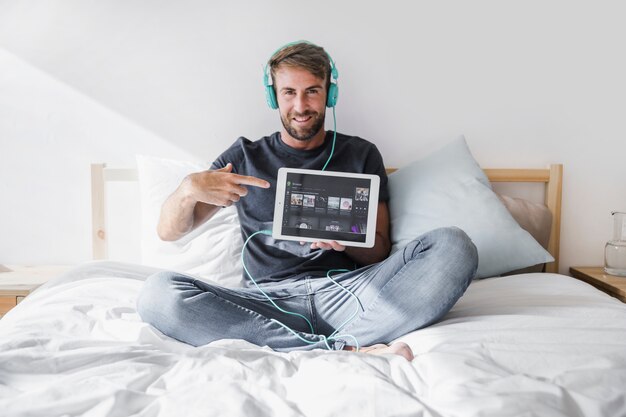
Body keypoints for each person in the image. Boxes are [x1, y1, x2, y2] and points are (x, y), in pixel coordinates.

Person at [136, 42, 478, 361]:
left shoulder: (360, 154)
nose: (300, 106)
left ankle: (302, 343)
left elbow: (379, 251)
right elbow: (169, 232)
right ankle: (341, 348)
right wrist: (187, 189)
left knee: (454, 244)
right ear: (274, 97)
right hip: (265, 301)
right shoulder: (244, 157)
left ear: (330, 93)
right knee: (158, 294)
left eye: (312, 91)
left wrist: (347, 242)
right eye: (289, 93)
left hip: (349, 295)